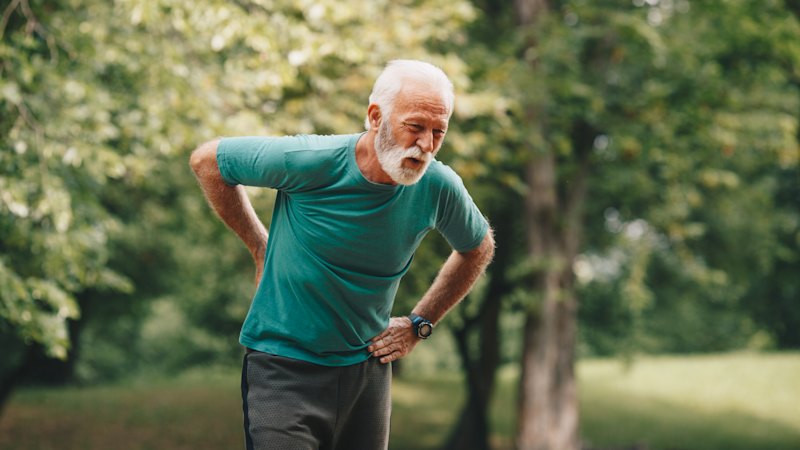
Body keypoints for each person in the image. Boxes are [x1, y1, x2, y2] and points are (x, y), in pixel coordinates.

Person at [189, 59, 495, 450]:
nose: (426, 145)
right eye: (415, 127)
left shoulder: (437, 185)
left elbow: (478, 247)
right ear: (375, 117)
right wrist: (259, 244)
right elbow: (208, 161)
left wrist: (420, 323)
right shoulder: (311, 160)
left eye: (439, 132)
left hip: (367, 372)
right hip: (284, 368)